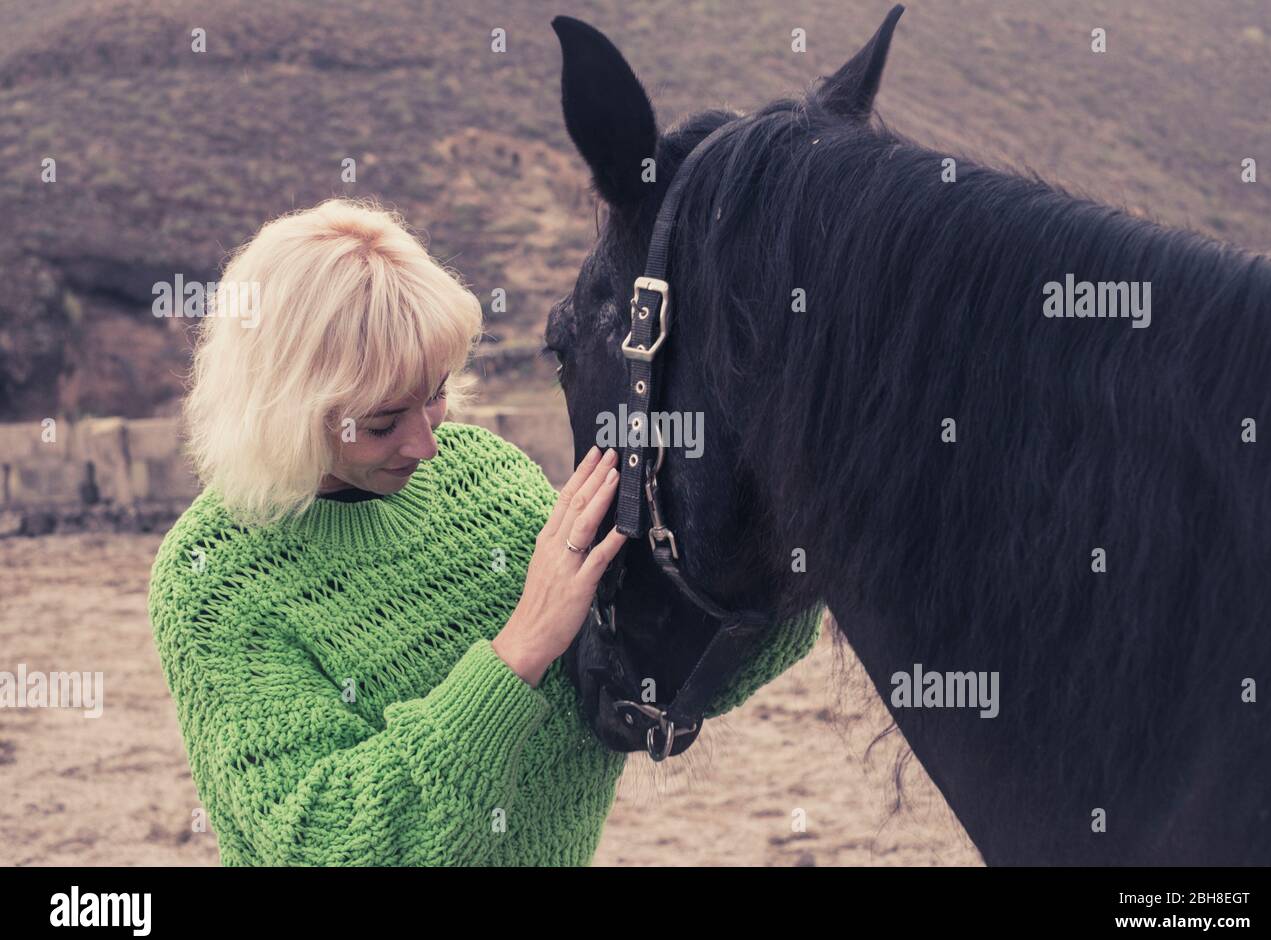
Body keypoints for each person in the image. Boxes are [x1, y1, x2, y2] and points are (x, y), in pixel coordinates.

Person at [146, 196, 825, 866]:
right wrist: (521, 649)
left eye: (435, 392)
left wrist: (789, 565)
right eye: (382, 423)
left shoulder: (489, 475)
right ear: (282, 410)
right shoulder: (213, 578)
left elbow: (642, 685)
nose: (427, 443)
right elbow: (322, 843)